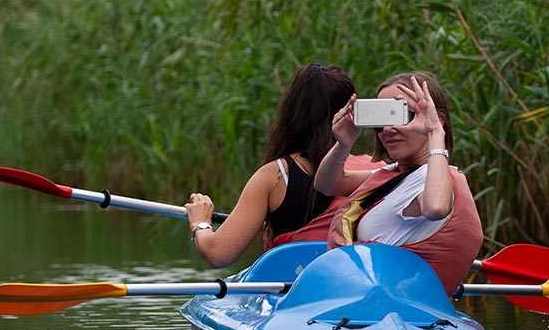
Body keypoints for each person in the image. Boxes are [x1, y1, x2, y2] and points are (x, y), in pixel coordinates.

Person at [314, 71, 483, 295]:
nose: (388, 129)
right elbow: (326, 184)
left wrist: (434, 132)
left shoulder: (430, 181)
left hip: (388, 300)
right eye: (382, 118)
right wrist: (343, 144)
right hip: (362, 296)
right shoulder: (394, 175)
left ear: (436, 119)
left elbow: (436, 207)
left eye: (403, 115)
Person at [184, 63, 356, 268]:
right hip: (349, 282)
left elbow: (217, 253)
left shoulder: (275, 176)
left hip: (293, 290)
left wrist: (200, 222)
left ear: (292, 111)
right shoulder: (374, 170)